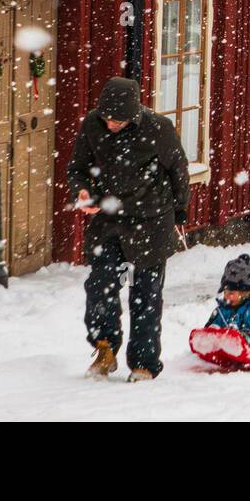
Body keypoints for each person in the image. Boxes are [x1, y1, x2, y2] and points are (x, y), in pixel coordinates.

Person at [68, 76, 191, 382]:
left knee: (145, 296)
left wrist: (180, 211)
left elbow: (179, 169)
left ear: (133, 116)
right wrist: (83, 191)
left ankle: (144, 364)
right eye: (107, 119)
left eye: (118, 121)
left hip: (150, 222)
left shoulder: (157, 129)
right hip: (109, 222)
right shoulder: (92, 126)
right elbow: (78, 168)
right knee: (100, 286)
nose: (111, 125)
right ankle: (105, 347)